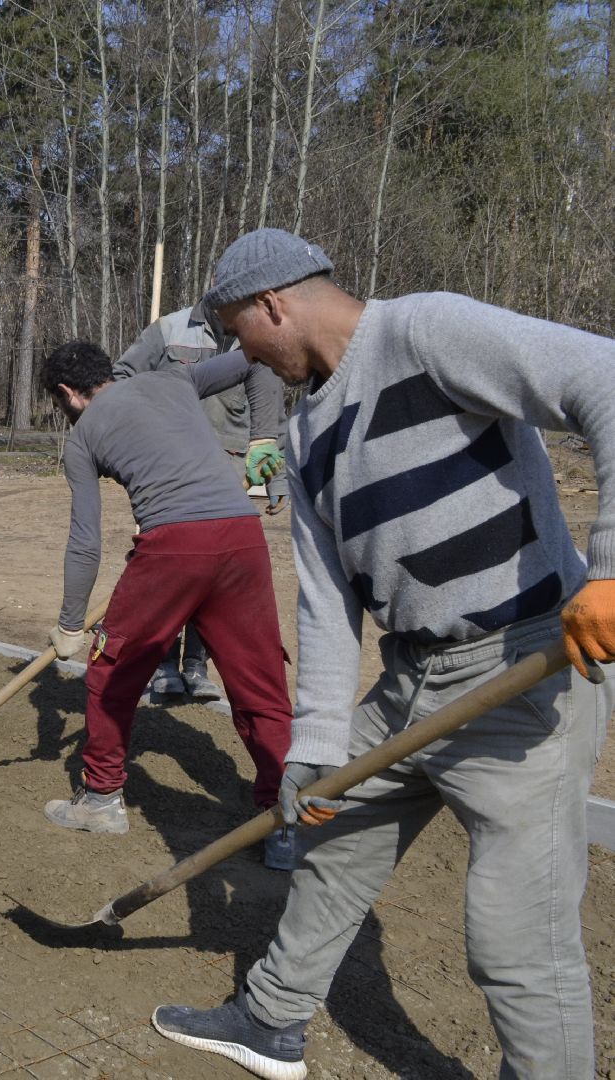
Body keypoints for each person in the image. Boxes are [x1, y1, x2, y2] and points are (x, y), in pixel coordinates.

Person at [152, 228, 615, 1080]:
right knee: (338, 836)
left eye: (237, 332)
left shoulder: (425, 333)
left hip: (521, 673)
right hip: (412, 679)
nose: (240, 353)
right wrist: (317, 748)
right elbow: (326, 604)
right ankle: (271, 1018)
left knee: (517, 934)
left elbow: (606, 380)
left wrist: (613, 566)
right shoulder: (304, 440)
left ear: (273, 304)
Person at [41, 339, 297, 871]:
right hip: (244, 539)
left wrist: (70, 625)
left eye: (59, 403)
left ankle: (102, 800)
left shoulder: (82, 437)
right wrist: (263, 435)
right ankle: (287, 823)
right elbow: (252, 354)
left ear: (68, 392)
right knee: (260, 686)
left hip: (174, 547)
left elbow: (85, 542)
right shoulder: (175, 379)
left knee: (109, 675)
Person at [114, 302, 290, 703]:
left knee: (213, 571)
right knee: (168, 568)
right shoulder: (169, 330)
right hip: (168, 469)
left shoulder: (254, 335)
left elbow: (269, 411)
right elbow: (121, 378)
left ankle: (196, 665)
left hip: (228, 472)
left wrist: (276, 476)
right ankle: (161, 665)